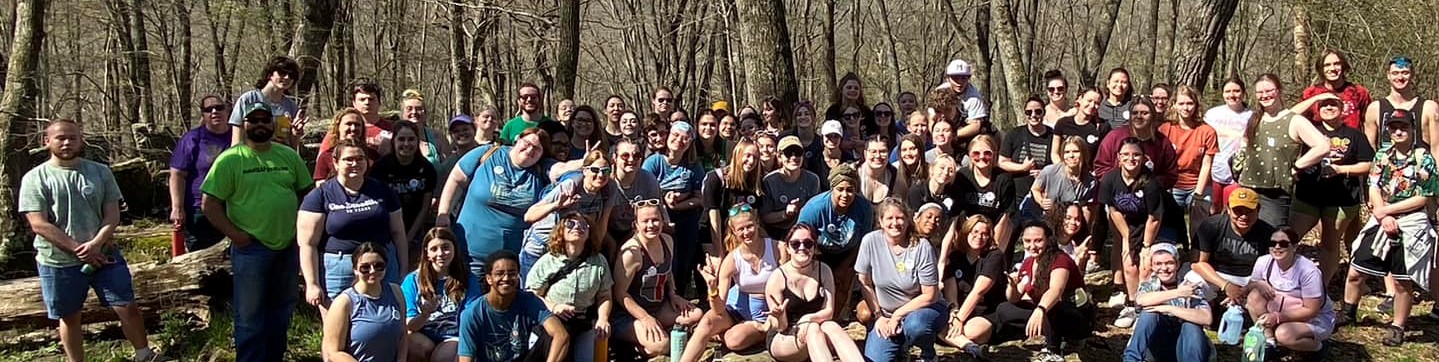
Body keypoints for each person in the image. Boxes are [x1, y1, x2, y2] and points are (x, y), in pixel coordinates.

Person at [21, 120, 158, 362]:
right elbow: (38, 224)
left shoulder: (100, 171)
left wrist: (95, 244)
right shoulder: (35, 178)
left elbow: (112, 214)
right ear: (47, 141)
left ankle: (144, 355)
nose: (67, 143)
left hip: (105, 255)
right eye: (60, 138)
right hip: (58, 261)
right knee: (70, 316)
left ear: (80, 140)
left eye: (72, 138)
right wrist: (78, 250)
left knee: (126, 306)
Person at [201, 103, 314, 361]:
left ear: (272, 124)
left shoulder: (288, 156)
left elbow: (307, 194)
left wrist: (301, 229)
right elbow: (209, 204)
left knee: (282, 309)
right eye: (254, 120)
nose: (260, 124)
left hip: (287, 246)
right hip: (250, 248)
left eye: (265, 119)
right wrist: (235, 235)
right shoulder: (230, 159)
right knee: (249, 316)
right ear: (244, 125)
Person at [1339, 114, 1438, 346]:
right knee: (1356, 270)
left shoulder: (1423, 158)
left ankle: (1397, 326)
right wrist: (1382, 214)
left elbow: (1424, 197)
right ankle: (1348, 312)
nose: (1398, 132)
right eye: (1394, 128)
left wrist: (1387, 211)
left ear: (1412, 129)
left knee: (1402, 281)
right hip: (1381, 219)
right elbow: (1373, 186)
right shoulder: (1382, 155)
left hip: (1411, 223)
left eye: (1403, 127)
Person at [299, 139, 410, 316]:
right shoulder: (319, 196)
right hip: (339, 268)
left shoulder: (383, 190)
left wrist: (403, 270)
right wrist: (312, 283)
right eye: (348, 159)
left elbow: (398, 233)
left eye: (360, 159)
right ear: (336, 162)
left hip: (381, 265)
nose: (355, 164)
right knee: (338, 324)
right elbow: (308, 244)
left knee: (387, 319)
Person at [961, 221, 1091, 362]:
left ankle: (1053, 351)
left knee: (1053, 307)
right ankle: (1044, 332)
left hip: (1073, 314)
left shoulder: (1059, 259)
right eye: (1027, 241)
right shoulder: (1028, 262)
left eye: (1038, 241)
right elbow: (1014, 298)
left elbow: (1056, 290)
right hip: (1045, 313)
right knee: (1003, 308)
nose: (1032, 246)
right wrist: (1012, 286)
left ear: (1048, 240)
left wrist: (1040, 310)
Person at [436, 127, 551, 277]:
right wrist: (444, 213)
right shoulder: (488, 153)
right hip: (469, 255)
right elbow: (456, 179)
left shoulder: (540, 172)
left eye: (537, 148)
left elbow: (562, 170)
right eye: (527, 143)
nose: (530, 150)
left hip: (512, 264)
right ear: (517, 140)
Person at [1289, 95, 1374, 285]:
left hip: (1341, 198)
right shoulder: (1308, 129)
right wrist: (1317, 97)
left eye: (1333, 104)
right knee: (1289, 236)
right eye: (1324, 105)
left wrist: (1341, 170)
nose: (1328, 107)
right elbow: (1288, 116)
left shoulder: (1355, 135)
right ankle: (1288, 280)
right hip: (1307, 194)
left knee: (1329, 242)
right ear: (1317, 110)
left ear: (1342, 109)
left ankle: (1321, 286)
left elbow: (1369, 164)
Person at [855, 198, 947, 362]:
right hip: (886, 315)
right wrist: (879, 316)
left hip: (923, 310)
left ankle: (928, 354)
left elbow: (930, 295)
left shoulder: (922, 246)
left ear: (908, 220)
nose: (895, 223)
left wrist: (898, 315)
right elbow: (865, 283)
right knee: (876, 360)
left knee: (916, 327)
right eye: (889, 218)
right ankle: (900, 347)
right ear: (881, 221)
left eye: (899, 218)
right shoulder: (870, 241)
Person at [1233, 73, 1331, 227]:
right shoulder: (1254, 119)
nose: (1264, 95)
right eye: (1260, 92)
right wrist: (1239, 162)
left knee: (1272, 236)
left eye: (1269, 91)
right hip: (1247, 188)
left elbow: (1323, 146)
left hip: (1275, 194)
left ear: (1278, 91)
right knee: (1245, 233)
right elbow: (1245, 143)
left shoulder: (1294, 120)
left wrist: (1297, 167)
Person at [679, 206, 775, 362]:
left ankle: (757, 332)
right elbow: (718, 309)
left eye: (749, 226)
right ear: (734, 231)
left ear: (757, 223)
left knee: (734, 340)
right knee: (708, 321)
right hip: (734, 310)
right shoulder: (732, 259)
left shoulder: (777, 249)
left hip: (765, 314)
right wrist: (712, 287)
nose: (746, 232)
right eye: (741, 229)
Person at [612, 202, 703, 357]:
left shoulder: (667, 240)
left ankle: (658, 330)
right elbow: (619, 293)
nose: (651, 225)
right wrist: (644, 317)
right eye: (645, 221)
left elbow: (667, 272)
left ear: (662, 221)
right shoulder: (631, 253)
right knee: (661, 346)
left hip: (658, 307)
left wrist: (673, 294)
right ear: (636, 224)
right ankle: (632, 345)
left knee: (696, 314)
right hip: (629, 315)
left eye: (655, 220)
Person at [764, 224, 866, 362]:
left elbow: (829, 312)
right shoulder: (778, 277)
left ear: (814, 247)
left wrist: (808, 318)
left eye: (808, 243)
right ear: (787, 248)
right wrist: (779, 316)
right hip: (785, 336)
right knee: (813, 329)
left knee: (831, 325)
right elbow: (780, 327)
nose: (802, 248)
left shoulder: (823, 270)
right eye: (795, 244)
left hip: (816, 329)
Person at [525, 214, 615, 362]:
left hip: (583, 320)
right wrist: (554, 307)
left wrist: (603, 318)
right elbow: (532, 295)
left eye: (583, 225)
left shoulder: (599, 261)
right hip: (552, 319)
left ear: (589, 233)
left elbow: (605, 296)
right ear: (561, 231)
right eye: (570, 224)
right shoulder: (548, 261)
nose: (577, 228)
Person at [1101, 137, 1168, 328]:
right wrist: (1126, 239)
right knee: (1129, 264)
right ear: (1118, 157)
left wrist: (1146, 246)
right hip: (1126, 224)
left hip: (1153, 225)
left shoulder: (1150, 183)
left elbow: (1155, 217)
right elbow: (1113, 211)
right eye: (1126, 154)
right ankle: (1131, 305)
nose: (1131, 159)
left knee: (1145, 266)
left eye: (1136, 155)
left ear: (1143, 157)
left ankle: (1145, 306)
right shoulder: (1110, 179)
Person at [521, 150, 619, 279]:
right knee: (533, 291)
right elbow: (529, 216)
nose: (600, 175)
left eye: (605, 171)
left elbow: (602, 223)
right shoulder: (571, 185)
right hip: (541, 247)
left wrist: (593, 252)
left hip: (568, 252)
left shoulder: (609, 189)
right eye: (595, 170)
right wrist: (556, 205)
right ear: (585, 170)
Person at [457, 251, 570, 362]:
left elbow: (561, 335)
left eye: (512, 274)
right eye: (499, 274)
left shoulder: (529, 301)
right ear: (489, 279)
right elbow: (465, 358)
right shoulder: (472, 314)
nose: (506, 278)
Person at [1244, 226, 1337, 358]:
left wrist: (1277, 317)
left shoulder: (1308, 271)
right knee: (1254, 297)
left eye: (1283, 244)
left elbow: (1312, 310)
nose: (1277, 247)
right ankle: (1270, 342)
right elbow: (1249, 287)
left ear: (1294, 247)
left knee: (1284, 334)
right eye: (1272, 243)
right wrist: (1257, 284)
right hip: (1282, 310)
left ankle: (1319, 347)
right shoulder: (1263, 262)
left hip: (1313, 318)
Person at [797, 164, 874, 322]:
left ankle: (834, 318)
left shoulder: (864, 208)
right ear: (832, 189)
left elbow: (863, 243)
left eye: (850, 190)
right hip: (817, 253)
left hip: (849, 253)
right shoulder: (814, 208)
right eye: (840, 189)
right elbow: (801, 240)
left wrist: (844, 267)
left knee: (842, 279)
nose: (845, 195)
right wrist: (818, 266)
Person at [642, 120, 707, 297]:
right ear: (668, 136)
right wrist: (664, 202)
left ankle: (679, 295)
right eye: (676, 135)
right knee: (664, 260)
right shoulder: (654, 162)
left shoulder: (693, 166)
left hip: (686, 220)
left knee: (683, 261)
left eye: (685, 138)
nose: (679, 140)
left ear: (690, 143)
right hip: (658, 219)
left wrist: (679, 203)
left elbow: (700, 198)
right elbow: (645, 193)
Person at [1122, 243, 1213, 362]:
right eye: (1158, 264)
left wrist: (1169, 309)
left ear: (1177, 264)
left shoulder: (1189, 285)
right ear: (1152, 267)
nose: (1164, 268)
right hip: (1158, 344)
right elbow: (1141, 300)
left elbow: (1207, 318)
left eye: (1169, 263)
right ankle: (1131, 359)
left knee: (1191, 325)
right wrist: (1178, 293)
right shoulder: (1149, 285)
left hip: (1186, 344)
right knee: (1149, 313)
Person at [402, 228, 481, 362]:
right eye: (434, 249)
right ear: (426, 252)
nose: (440, 253)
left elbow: (471, 318)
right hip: (423, 332)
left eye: (445, 248)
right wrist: (425, 314)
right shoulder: (412, 280)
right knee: (412, 345)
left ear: (454, 249)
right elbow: (410, 326)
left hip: (454, 335)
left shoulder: (468, 279)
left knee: (443, 357)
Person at [1190, 187, 1275, 311]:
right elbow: (1198, 264)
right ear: (1228, 209)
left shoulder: (1268, 233)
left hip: (1250, 278)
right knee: (1192, 281)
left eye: (1249, 211)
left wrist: (1246, 289)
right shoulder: (1211, 226)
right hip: (1216, 274)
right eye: (1238, 211)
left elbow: (1270, 271)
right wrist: (1226, 285)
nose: (1243, 216)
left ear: (1258, 210)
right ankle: (1203, 312)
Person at [322, 242, 409, 361]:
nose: (372, 271)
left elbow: (403, 335)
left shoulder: (396, 292)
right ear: (355, 270)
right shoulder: (344, 302)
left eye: (379, 266)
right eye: (365, 267)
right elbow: (334, 352)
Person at [937, 215, 1009, 359]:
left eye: (984, 234)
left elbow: (978, 291)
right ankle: (973, 348)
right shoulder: (956, 256)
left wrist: (959, 320)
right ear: (966, 232)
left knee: (970, 332)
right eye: (974, 232)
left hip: (985, 311)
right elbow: (951, 290)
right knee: (935, 322)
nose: (979, 237)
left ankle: (958, 340)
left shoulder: (994, 256)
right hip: (958, 310)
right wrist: (954, 312)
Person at [170, 95, 232, 252]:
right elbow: (177, 175)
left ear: (227, 111)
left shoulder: (238, 136)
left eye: (219, 108)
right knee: (201, 258)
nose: (214, 112)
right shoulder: (192, 139)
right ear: (203, 115)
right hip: (200, 209)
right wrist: (177, 207)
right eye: (208, 109)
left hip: (234, 207)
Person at [370, 121, 439, 258]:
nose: (406, 144)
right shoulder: (381, 168)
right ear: (394, 141)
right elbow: (376, 203)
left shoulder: (427, 168)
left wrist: (409, 238)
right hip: (386, 232)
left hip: (415, 231)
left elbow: (425, 207)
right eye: (401, 139)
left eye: (411, 139)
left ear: (417, 141)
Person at [1157, 85, 1217, 219]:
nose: (1186, 108)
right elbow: (1161, 163)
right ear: (1174, 104)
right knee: (1170, 225)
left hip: (1198, 184)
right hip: (1173, 185)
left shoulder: (1207, 131)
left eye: (1190, 103)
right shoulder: (1165, 130)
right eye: (1181, 103)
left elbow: (1207, 164)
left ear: (1196, 105)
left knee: (1201, 221)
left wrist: (1198, 195)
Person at [703, 139, 765, 260]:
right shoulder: (716, 179)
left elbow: (754, 219)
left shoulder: (755, 184)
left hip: (739, 236)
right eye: (747, 155)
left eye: (756, 158)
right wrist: (720, 253)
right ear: (738, 154)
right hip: (714, 236)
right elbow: (714, 220)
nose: (751, 161)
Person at [1364, 55, 1439, 149]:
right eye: (1395, 73)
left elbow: (1436, 148)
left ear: (1412, 74)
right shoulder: (1375, 108)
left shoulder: (1429, 108)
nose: (1400, 77)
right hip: (1386, 158)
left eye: (1405, 73)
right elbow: (1369, 148)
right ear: (1388, 75)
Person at [228, 56, 303, 148]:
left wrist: (296, 133)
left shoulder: (291, 106)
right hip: (252, 154)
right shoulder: (248, 99)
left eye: (292, 75)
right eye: (282, 73)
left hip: (279, 155)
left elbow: (293, 146)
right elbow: (236, 141)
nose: (287, 77)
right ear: (270, 75)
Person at [954, 135, 1015, 249]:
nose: (981, 157)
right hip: (968, 231)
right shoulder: (962, 176)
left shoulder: (1004, 178)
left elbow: (1004, 216)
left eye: (987, 153)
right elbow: (957, 214)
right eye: (976, 153)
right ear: (969, 155)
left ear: (995, 154)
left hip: (995, 230)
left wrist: (993, 246)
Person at [1000, 96, 1054, 222]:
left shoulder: (1053, 136)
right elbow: (1002, 161)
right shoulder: (1014, 134)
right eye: (1029, 112)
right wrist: (1022, 168)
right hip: (1016, 193)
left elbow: (1059, 165)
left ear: (1044, 112)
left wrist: (1044, 174)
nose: (1033, 115)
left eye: (1038, 111)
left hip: (1043, 195)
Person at [1205, 78, 1254, 212]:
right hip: (1214, 170)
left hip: (1238, 173)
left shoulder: (1252, 116)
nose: (1232, 95)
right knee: (1212, 210)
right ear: (1222, 94)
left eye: (1236, 91)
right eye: (1227, 91)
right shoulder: (1212, 114)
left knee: (1232, 209)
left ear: (1243, 93)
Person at [761, 136, 823, 238]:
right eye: (788, 153)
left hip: (805, 231)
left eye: (798, 152)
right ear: (779, 156)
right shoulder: (769, 181)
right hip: (777, 233)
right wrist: (785, 214)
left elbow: (817, 212)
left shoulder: (813, 180)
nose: (793, 157)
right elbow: (765, 217)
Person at [1029, 136, 1097, 226]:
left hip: (1071, 224)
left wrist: (1085, 229)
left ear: (1083, 153)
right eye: (1067, 152)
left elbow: (1088, 209)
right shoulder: (1050, 171)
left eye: (1076, 151)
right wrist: (1041, 201)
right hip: (1048, 221)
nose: (1071, 155)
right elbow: (1035, 189)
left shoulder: (1091, 181)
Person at [610, 139, 666, 244]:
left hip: (639, 231)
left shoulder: (648, 179)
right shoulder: (606, 180)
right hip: (609, 232)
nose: (631, 160)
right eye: (625, 156)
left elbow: (656, 213)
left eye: (636, 156)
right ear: (615, 158)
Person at [1298, 50, 1372, 130]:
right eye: (1327, 65)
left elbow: (1369, 123)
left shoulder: (1359, 92)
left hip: (1351, 137)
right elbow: (1295, 119)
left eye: (1337, 64)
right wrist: (1316, 98)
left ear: (1343, 66)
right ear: (1321, 68)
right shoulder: (1310, 93)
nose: (1332, 68)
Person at [320, 79, 395, 156]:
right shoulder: (342, 129)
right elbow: (323, 158)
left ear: (379, 102)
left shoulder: (393, 128)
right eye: (362, 99)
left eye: (371, 99)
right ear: (354, 103)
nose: (367, 103)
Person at [906, 155, 962, 243]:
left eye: (951, 171)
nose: (946, 173)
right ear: (931, 169)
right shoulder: (917, 190)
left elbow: (951, 229)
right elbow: (913, 222)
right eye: (942, 168)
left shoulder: (953, 195)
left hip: (940, 236)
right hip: (916, 237)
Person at [935, 59, 989, 149]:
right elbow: (932, 117)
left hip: (962, 133)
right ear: (948, 79)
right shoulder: (940, 92)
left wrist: (952, 135)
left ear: (968, 78)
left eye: (963, 78)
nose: (959, 82)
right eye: (955, 78)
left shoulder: (974, 97)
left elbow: (975, 126)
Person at [1050, 87, 1110, 163]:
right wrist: (1063, 168)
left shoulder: (1102, 127)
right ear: (1080, 99)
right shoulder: (1062, 123)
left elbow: (1103, 156)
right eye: (1089, 101)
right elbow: (1054, 153)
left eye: (1097, 103)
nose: (1092, 105)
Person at [315, 109, 374, 183]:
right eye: (348, 124)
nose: (353, 128)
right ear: (338, 127)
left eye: (357, 125)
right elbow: (320, 184)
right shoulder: (326, 156)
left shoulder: (372, 155)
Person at [401, 89, 452, 166]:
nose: (414, 112)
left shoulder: (438, 138)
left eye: (419, 109)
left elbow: (448, 168)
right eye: (409, 109)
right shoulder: (392, 139)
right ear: (402, 113)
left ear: (425, 113)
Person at [857, 136, 898, 206]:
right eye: (873, 152)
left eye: (883, 151)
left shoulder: (895, 175)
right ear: (865, 154)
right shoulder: (853, 173)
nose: (878, 156)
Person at [891, 134, 928, 199]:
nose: (908, 153)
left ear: (920, 150)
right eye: (904, 150)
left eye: (912, 149)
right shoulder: (894, 171)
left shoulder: (930, 171)